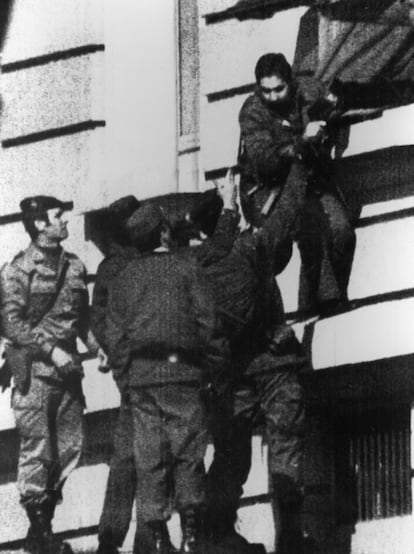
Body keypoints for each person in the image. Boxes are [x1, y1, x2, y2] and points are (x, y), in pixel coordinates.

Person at [104, 205, 229, 554]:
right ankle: (192, 536)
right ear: (162, 234)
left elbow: (114, 338)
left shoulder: (124, 278)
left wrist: (125, 380)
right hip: (183, 375)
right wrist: (214, 372)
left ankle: (158, 539)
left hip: (142, 381)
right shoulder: (188, 268)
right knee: (188, 453)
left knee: (150, 458)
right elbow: (210, 325)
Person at [0, 196, 99, 554]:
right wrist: (51, 350)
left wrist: (98, 348)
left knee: (71, 448)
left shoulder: (74, 267)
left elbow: (83, 320)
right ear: (40, 224)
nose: (66, 222)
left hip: (69, 375)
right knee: (38, 452)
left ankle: (40, 533)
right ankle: (43, 536)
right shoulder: (18, 270)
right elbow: (11, 323)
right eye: (58, 216)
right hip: (35, 376)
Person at [238, 52, 356, 316]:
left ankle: (321, 300)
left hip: (310, 180)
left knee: (342, 232)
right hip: (268, 190)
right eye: (265, 91)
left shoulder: (309, 90)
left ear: (290, 82)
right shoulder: (252, 112)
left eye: (278, 89)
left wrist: (329, 116)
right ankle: (324, 303)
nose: (272, 97)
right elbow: (266, 162)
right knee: (309, 230)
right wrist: (303, 140)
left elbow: (338, 95)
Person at [90, 195, 141, 554]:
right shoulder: (147, 262)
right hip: (152, 374)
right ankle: (150, 535)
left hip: (131, 374)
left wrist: (120, 366)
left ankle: (112, 537)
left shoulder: (110, 268)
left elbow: (98, 320)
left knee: (128, 454)